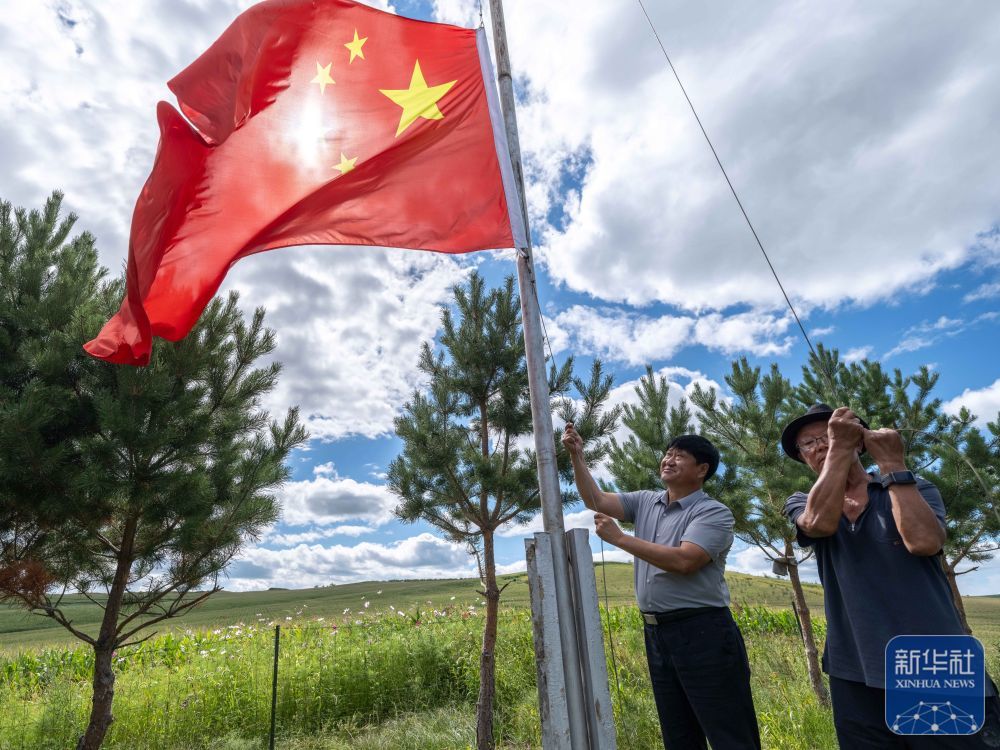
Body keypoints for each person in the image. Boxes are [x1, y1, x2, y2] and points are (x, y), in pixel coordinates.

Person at [781, 403, 1000, 748]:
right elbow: (818, 523)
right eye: (807, 444)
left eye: (828, 436)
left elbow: (925, 542)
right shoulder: (804, 502)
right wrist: (840, 445)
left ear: (861, 441)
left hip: (931, 663)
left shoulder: (911, 488)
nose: (820, 446)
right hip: (853, 668)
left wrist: (893, 465)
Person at [562, 423, 761, 750]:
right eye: (667, 454)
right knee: (679, 735)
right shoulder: (645, 501)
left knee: (729, 733)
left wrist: (621, 539)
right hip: (657, 633)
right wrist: (577, 455)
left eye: (679, 456)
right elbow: (595, 499)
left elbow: (685, 561)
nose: (668, 460)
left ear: (702, 470)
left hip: (703, 632)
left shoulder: (712, 512)